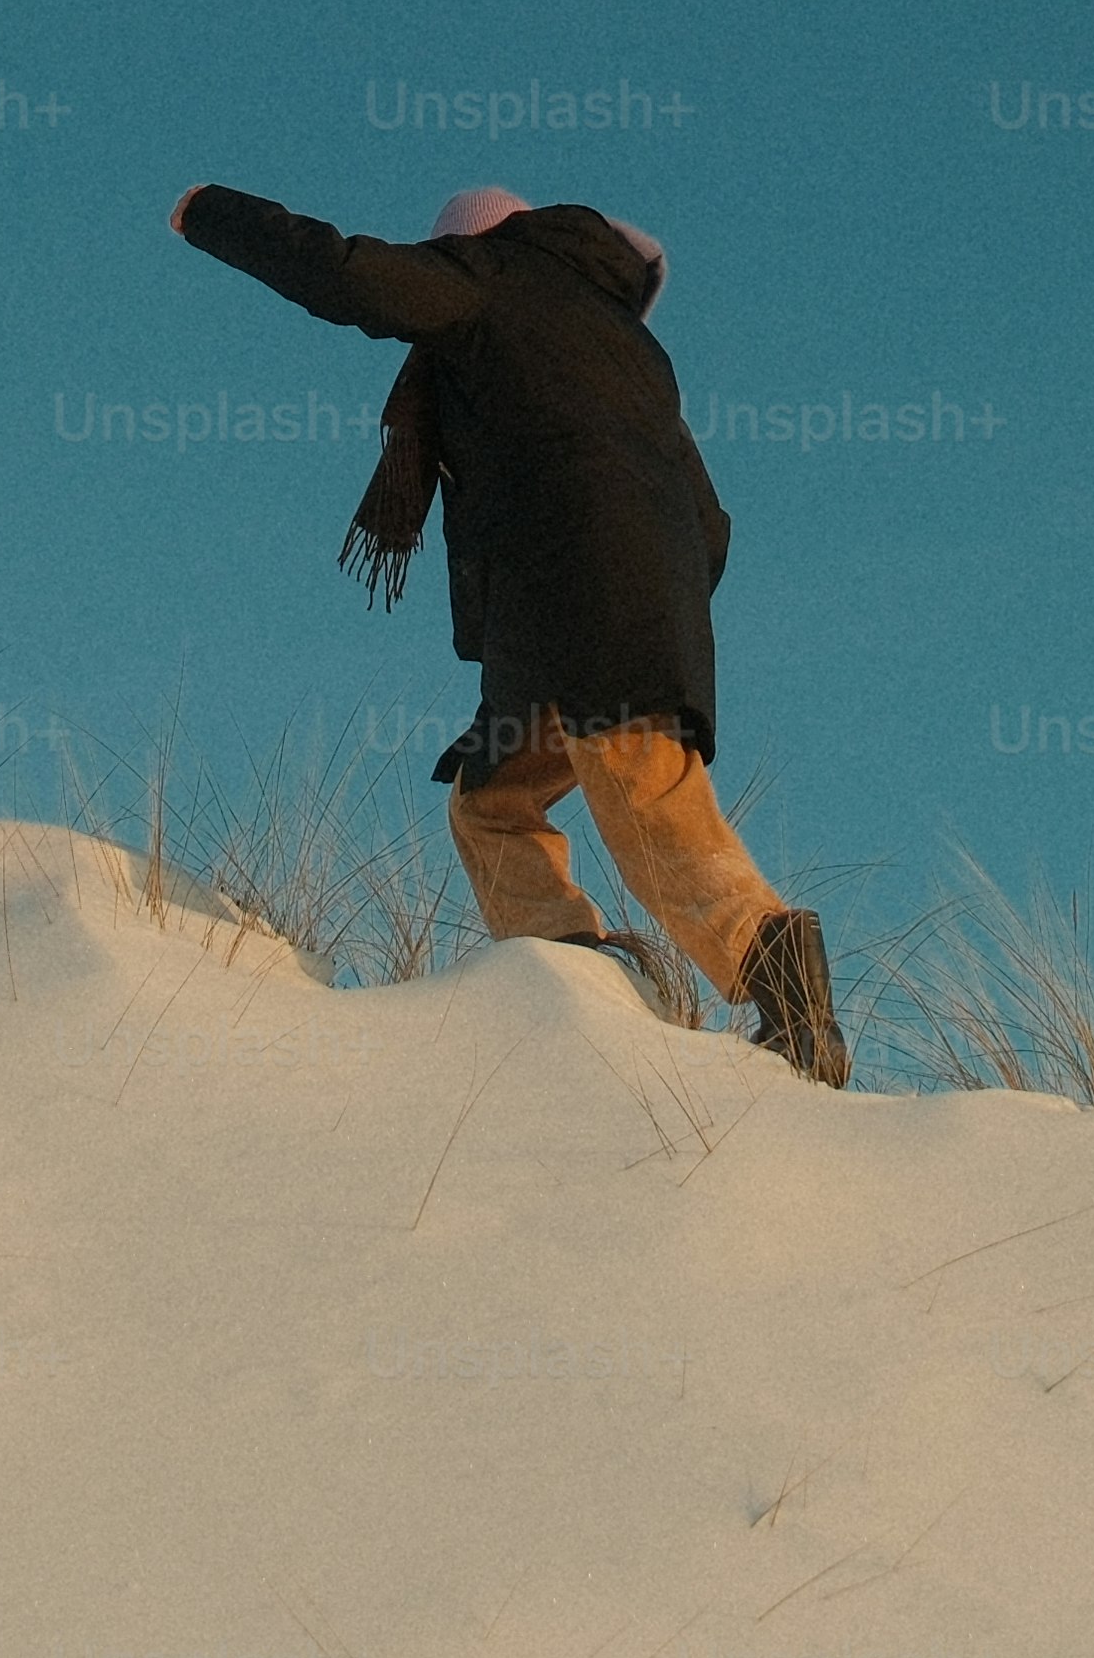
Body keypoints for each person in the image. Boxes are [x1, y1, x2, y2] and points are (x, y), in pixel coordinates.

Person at [164, 180, 846, 1085]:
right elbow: (709, 523)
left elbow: (345, 274)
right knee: (490, 801)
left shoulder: (488, 277)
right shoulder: (626, 346)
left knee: (643, 794)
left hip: (587, 606)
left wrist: (211, 211)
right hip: (592, 614)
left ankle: (776, 967)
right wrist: (657, 602)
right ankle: (577, 965)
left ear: (469, 245)